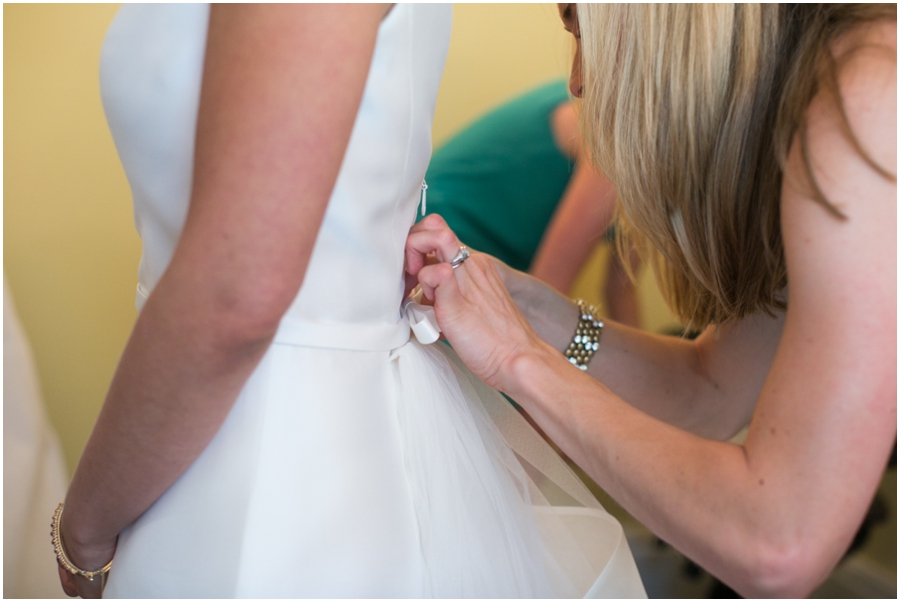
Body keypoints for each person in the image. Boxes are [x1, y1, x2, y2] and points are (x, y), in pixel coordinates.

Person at [53, 4, 646, 598]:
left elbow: (239, 294)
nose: (578, 81)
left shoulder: (607, 145)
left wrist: (84, 525)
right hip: (422, 280)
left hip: (277, 414)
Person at [406, 3, 896, 598]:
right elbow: (707, 392)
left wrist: (519, 360)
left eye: (582, 30)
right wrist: (530, 309)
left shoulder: (867, 93)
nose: (577, 81)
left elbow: (778, 542)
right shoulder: (797, 112)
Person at [423, 81, 641, 327]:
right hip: (438, 240)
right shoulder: (617, 139)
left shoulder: (651, 173)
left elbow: (621, 291)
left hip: (487, 264)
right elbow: (545, 295)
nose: (576, 81)